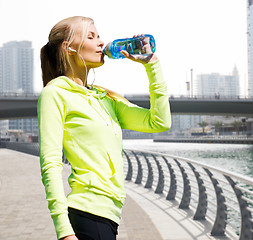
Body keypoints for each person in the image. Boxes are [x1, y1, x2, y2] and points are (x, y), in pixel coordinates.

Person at [38, 16, 171, 240]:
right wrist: (64, 231)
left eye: (99, 36)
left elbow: (159, 122)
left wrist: (152, 65)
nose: (101, 43)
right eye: (91, 37)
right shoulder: (55, 93)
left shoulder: (105, 98)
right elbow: (50, 163)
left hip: (109, 216)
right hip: (87, 214)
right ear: (68, 47)